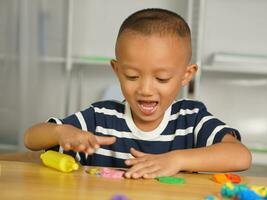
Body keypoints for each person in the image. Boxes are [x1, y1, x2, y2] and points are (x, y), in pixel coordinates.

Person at [24, 8, 251, 179]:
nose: (145, 89)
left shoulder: (191, 119)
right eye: (132, 76)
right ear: (117, 70)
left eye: (161, 78)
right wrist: (60, 131)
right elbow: (30, 139)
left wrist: (178, 160)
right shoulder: (100, 118)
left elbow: (241, 156)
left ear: (186, 75)